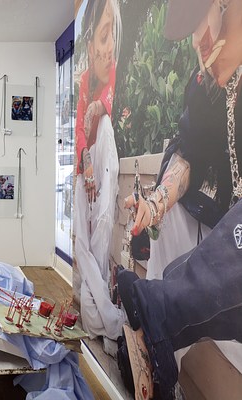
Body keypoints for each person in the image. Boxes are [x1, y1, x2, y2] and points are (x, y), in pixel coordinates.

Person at [119, 0, 242, 397]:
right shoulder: (208, 86)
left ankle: (157, 317)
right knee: (174, 220)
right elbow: (190, 151)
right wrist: (155, 204)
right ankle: (156, 342)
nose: (198, 44)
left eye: (201, 23)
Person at [73, 0, 125, 341]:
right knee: (82, 244)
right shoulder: (84, 80)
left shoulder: (112, 73)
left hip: (105, 164)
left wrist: (96, 108)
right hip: (85, 167)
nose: (108, 49)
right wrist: (86, 165)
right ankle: (109, 320)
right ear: (90, 45)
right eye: (103, 38)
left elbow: (101, 110)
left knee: (100, 234)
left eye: (112, 36)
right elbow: (80, 129)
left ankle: (99, 323)